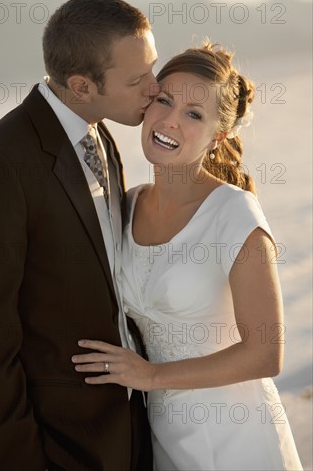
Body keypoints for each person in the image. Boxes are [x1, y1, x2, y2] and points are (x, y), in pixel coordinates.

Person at [0, 0, 159, 470]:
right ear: (81, 86)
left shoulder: (100, 134)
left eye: (152, 67)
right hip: (56, 447)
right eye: (136, 78)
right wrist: (19, 460)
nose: (155, 86)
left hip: (130, 433)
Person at [71, 42, 303, 470]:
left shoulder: (234, 213)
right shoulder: (129, 205)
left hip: (236, 436)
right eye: (164, 100)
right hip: (164, 436)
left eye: (193, 114)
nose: (170, 121)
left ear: (219, 135)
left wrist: (150, 376)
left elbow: (266, 353)